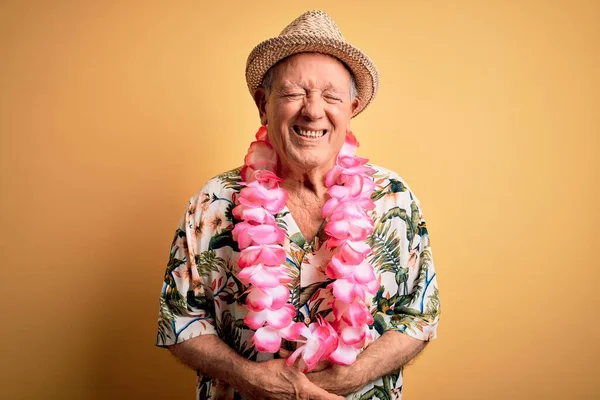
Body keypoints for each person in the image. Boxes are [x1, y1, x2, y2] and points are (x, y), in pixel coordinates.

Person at [156, 10, 439, 400]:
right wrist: (248, 377)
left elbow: (420, 316)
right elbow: (179, 321)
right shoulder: (212, 202)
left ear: (351, 110)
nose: (312, 110)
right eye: (293, 93)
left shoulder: (394, 198)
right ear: (262, 105)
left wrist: (351, 376)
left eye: (332, 96)